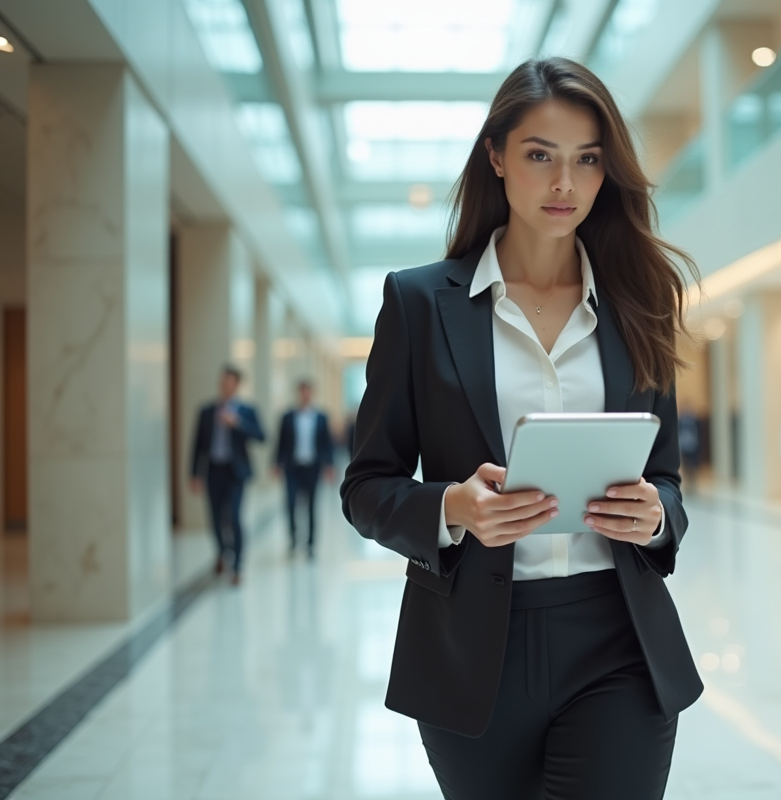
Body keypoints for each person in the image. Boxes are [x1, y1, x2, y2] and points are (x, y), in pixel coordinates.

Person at [340, 58, 703, 800]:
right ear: (497, 156)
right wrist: (453, 508)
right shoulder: (417, 303)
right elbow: (366, 486)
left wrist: (657, 512)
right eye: (541, 155)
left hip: (618, 637)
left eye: (588, 159)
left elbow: (665, 474)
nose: (564, 182)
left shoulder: (640, 302)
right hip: (472, 650)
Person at [190, 366, 265, 586]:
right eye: (222, 381)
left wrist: (238, 423)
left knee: (233, 516)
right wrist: (194, 474)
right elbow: (197, 445)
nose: (225, 385)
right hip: (213, 471)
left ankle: (238, 565)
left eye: (229, 382)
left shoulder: (246, 411)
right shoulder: (206, 411)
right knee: (214, 519)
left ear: (237, 385)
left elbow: (261, 436)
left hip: (236, 473)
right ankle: (223, 552)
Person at [273, 380, 335, 559]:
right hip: (292, 469)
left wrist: (329, 466)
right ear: (298, 393)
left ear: (312, 393)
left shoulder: (321, 417)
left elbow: (326, 444)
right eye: (302, 391)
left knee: (312, 507)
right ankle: (293, 540)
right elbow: (281, 443)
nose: (305, 395)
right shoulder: (287, 416)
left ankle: (310, 544)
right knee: (291, 504)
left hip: (313, 469)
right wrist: (276, 464)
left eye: (308, 391)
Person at [677, 400, 701, 491]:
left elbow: (698, 432)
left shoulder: (694, 420)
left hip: (692, 445)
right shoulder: (681, 420)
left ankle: (693, 483)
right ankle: (687, 483)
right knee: (686, 465)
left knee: (693, 465)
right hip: (684, 445)